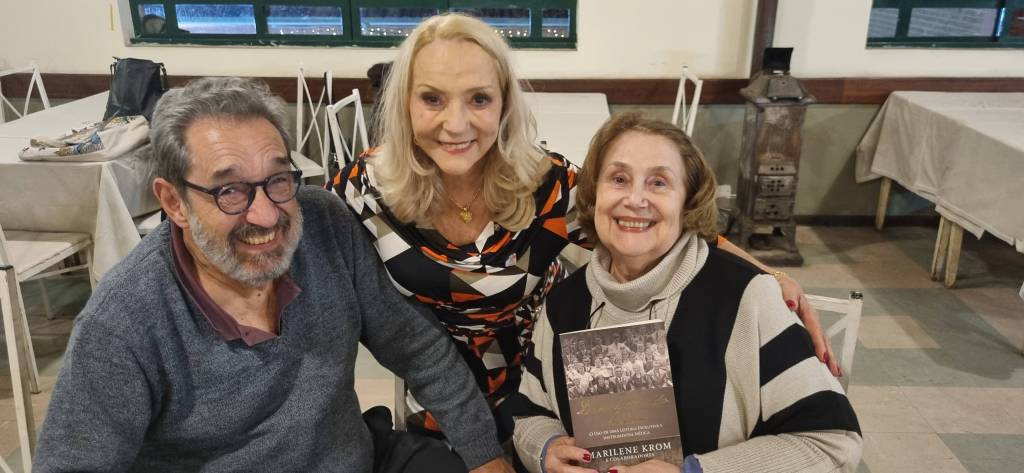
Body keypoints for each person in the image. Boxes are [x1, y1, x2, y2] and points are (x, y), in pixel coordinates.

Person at [334, 12, 838, 447]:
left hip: (552, 381)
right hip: (439, 391)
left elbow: (657, 226)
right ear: (404, 104)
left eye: (479, 99)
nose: (456, 123)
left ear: (505, 105)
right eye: (432, 99)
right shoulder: (364, 190)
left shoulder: (546, 185)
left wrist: (769, 276)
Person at [33, 77, 509, 473]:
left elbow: (415, 347)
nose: (265, 215)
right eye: (229, 191)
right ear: (174, 202)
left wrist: (485, 455)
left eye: (278, 180)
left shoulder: (323, 224)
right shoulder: (122, 324)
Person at [513, 113, 862, 473]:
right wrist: (546, 448)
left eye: (659, 183)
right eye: (619, 179)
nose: (635, 198)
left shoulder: (747, 298)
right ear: (593, 194)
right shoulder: (564, 304)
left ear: (688, 201)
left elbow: (832, 443)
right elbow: (530, 414)